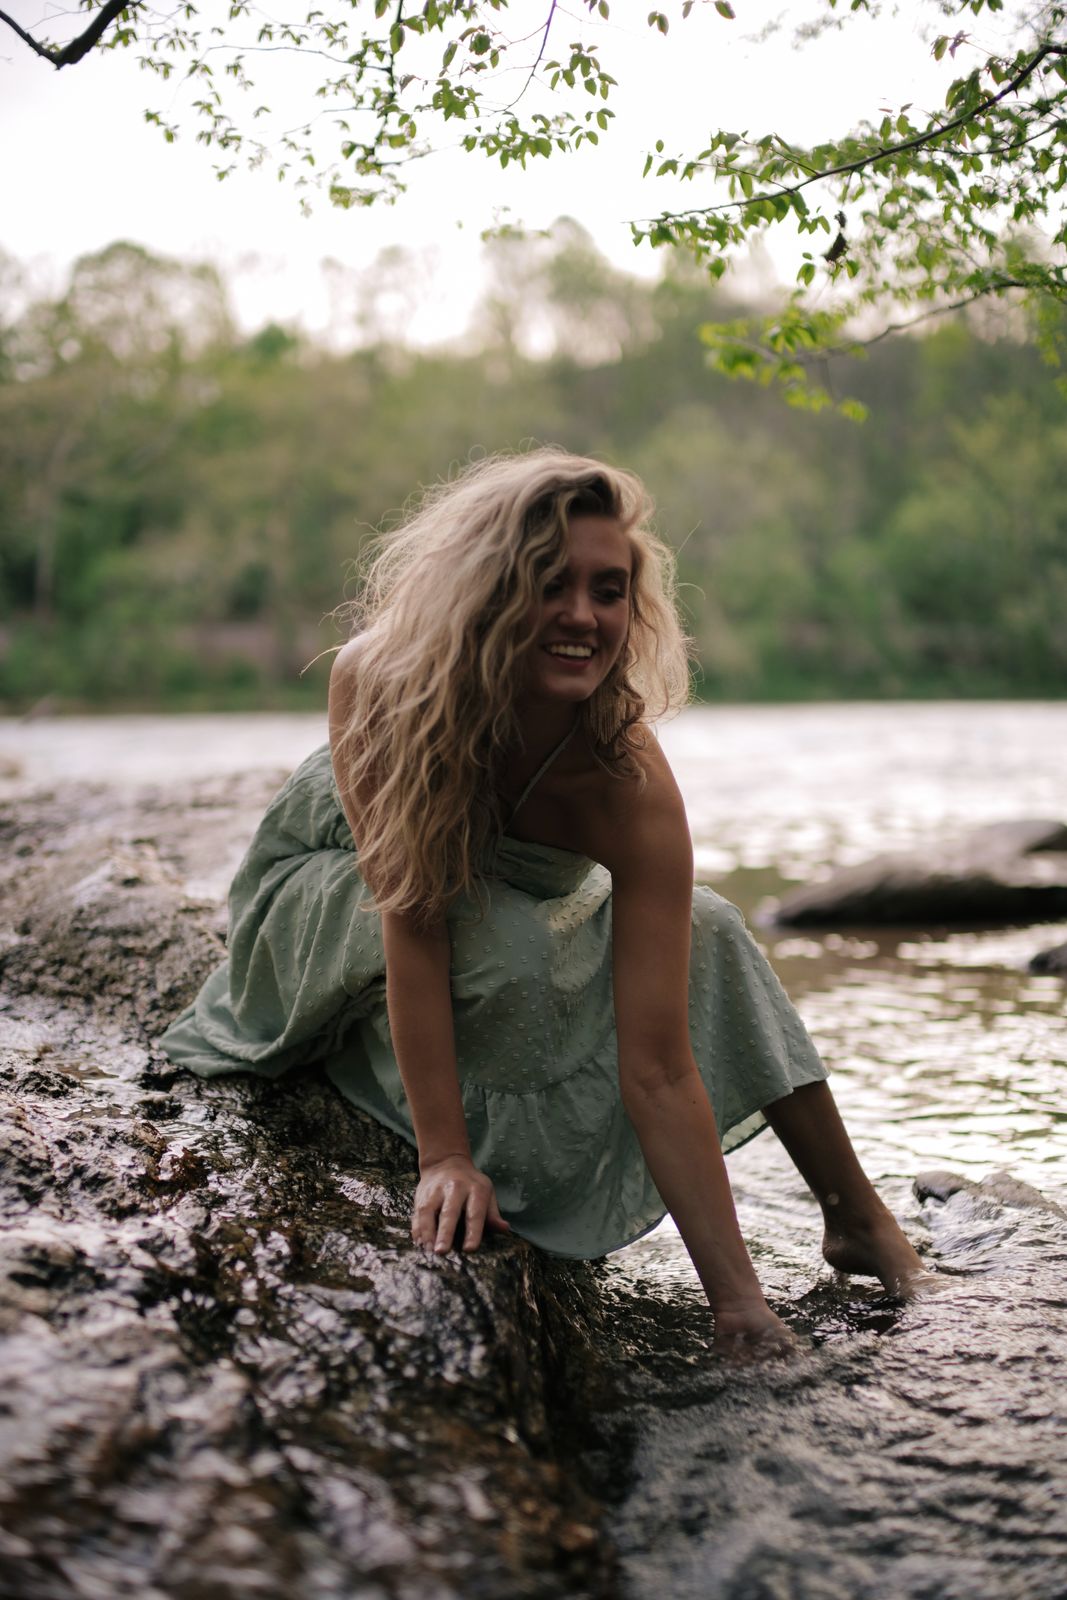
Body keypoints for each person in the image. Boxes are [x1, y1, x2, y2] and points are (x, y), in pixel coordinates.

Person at [162, 448, 933, 1361]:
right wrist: (445, 1156)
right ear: (486, 590)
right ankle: (372, 1067)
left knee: (714, 926)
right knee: (506, 948)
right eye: (548, 584)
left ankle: (855, 1216)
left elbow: (658, 1068)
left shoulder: (624, 773)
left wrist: (738, 1307)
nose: (581, 616)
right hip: (341, 876)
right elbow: (413, 919)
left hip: (511, 886)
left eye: (608, 591)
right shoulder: (385, 683)